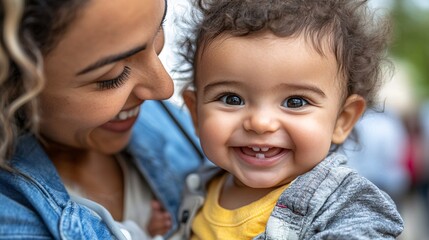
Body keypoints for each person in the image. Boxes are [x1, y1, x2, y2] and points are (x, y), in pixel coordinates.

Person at [177, 0, 404, 239]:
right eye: (231, 99)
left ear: (342, 120)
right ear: (195, 112)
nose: (260, 123)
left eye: (295, 102)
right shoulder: (199, 187)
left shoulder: (344, 206)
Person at [0, 0, 203, 239]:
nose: (165, 88)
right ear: (9, 85)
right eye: (112, 77)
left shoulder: (151, 117)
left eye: (157, 29)